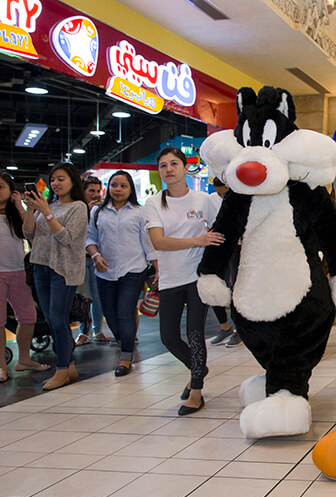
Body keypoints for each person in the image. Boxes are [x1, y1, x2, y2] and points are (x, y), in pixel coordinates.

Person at [146, 147, 222, 416]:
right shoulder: (154, 203)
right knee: (168, 337)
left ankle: (196, 392)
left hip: (197, 277)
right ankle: (198, 367)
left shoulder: (205, 200)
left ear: (184, 167)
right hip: (169, 279)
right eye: (163, 165)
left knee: (195, 333)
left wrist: (212, 248)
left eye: (174, 163)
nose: (169, 169)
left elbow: (219, 233)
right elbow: (158, 242)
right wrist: (197, 240)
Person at [23, 163, 88, 390]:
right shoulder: (46, 205)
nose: (56, 183)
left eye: (61, 179)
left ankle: (62, 370)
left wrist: (47, 212)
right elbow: (28, 232)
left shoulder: (79, 207)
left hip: (63, 270)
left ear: (72, 181)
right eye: (53, 180)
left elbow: (66, 237)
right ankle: (69, 366)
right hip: (41, 266)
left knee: (58, 319)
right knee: (51, 319)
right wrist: (32, 208)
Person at [86, 171, 158, 377]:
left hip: (133, 270)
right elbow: (90, 238)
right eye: (114, 185)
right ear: (108, 188)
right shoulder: (98, 212)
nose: (117, 189)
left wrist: (157, 268)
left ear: (130, 189)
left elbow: (147, 242)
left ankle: (125, 358)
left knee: (125, 312)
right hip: (104, 271)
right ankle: (123, 341)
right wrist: (95, 255)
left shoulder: (139, 212)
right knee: (111, 315)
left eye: (123, 186)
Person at [0, 173, 50, 382]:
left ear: (11, 191)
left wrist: (21, 206)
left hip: (19, 271)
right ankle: (1, 365)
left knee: (28, 316)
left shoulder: (16, 213)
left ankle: (24, 359)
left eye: (1, 186)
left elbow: (30, 232)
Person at [75, 176, 111, 346]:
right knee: (84, 297)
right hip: (80, 258)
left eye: (98, 191)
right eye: (91, 191)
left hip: (97, 258)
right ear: (83, 191)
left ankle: (98, 331)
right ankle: (83, 332)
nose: (95, 195)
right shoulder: (78, 209)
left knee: (97, 297)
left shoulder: (102, 210)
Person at [206, 177, 241, 348]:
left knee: (236, 289)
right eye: (219, 193)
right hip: (218, 247)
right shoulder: (210, 200)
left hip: (238, 248)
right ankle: (224, 326)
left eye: (224, 193)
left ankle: (239, 330)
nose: (221, 196)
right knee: (213, 285)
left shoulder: (240, 197)